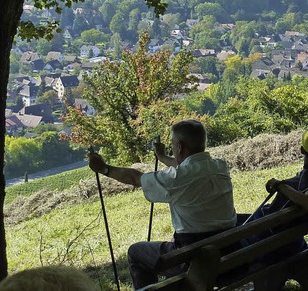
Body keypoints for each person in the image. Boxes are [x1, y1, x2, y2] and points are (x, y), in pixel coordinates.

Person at [87, 119, 237, 290]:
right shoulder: (220, 166)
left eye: (173, 144)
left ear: (179, 146)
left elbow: (135, 178)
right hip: (229, 255)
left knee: (135, 253)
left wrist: (104, 168)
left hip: (195, 263)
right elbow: (190, 166)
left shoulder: (176, 178)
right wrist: (163, 157)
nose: (173, 147)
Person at [242, 125, 308, 269]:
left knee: (229, 228)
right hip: (291, 240)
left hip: (269, 241)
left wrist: (281, 186)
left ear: (302, 150)